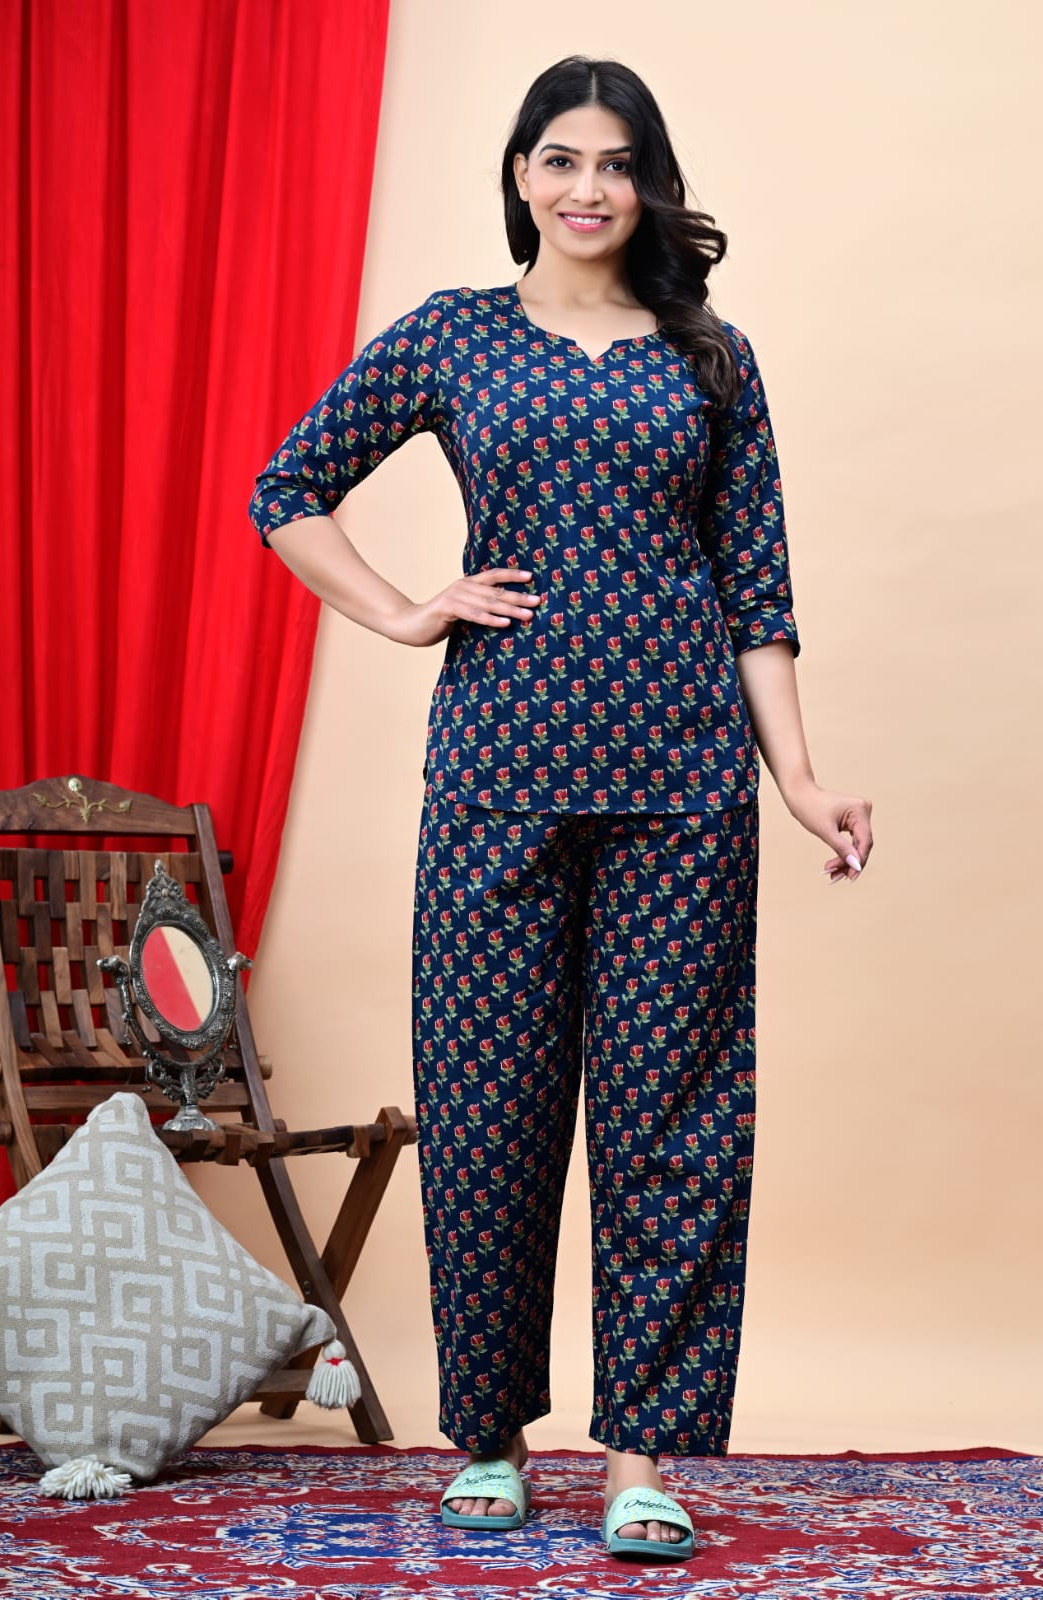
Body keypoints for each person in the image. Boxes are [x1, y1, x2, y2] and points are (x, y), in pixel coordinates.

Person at [248, 54, 873, 1562]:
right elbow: (289, 489)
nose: (589, 188)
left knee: (672, 1113)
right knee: (489, 1110)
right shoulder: (456, 335)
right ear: (522, 175)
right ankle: (491, 1439)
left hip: (685, 782)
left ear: (648, 183)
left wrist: (797, 778)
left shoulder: (710, 358)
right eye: (562, 159)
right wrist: (408, 610)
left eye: (617, 163)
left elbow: (759, 592)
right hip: (499, 773)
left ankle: (642, 1454)